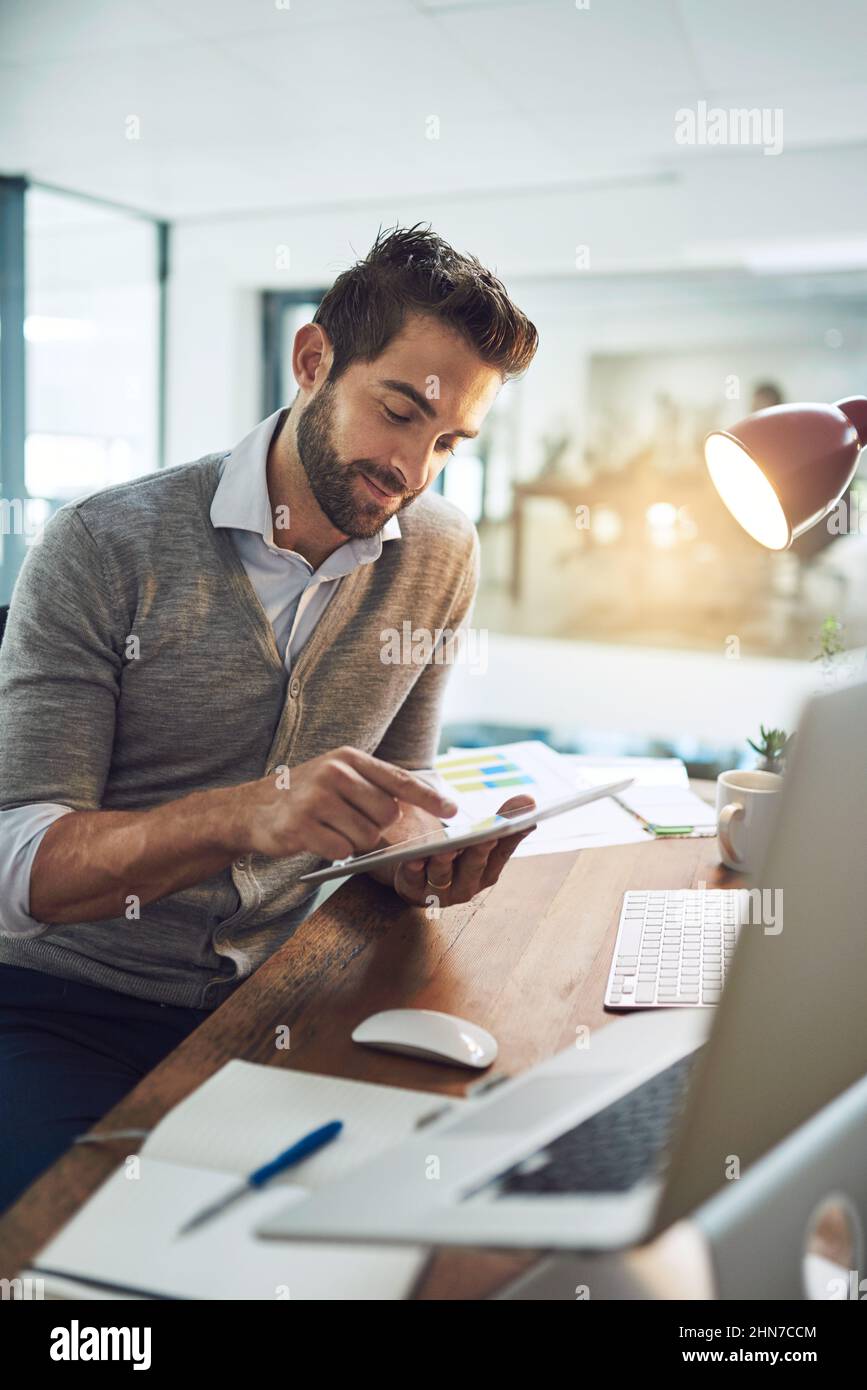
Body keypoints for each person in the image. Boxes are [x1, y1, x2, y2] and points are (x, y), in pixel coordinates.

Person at [0, 223, 539, 1213]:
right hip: (63, 1002)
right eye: (400, 411)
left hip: (282, 989)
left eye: (450, 442)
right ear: (313, 359)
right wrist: (245, 814)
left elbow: (396, 800)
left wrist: (420, 853)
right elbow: (21, 864)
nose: (416, 468)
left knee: (418, 1212)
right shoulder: (101, 545)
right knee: (85, 1254)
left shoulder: (438, 553)